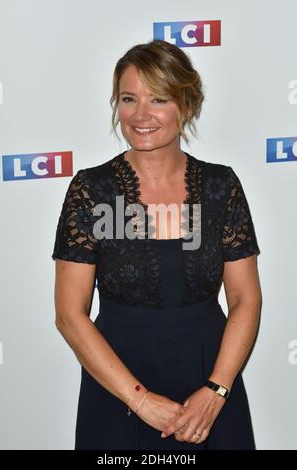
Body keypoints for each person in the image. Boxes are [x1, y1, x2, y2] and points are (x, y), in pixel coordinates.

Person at [52, 39, 262, 450]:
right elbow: (69, 315)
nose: (141, 115)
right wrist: (141, 401)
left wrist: (216, 392)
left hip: (210, 386)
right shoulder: (92, 190)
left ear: (186, 105)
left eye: (159, 99)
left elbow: (245, 299)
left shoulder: (221, 186)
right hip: (116, 388)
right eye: (129, 98)